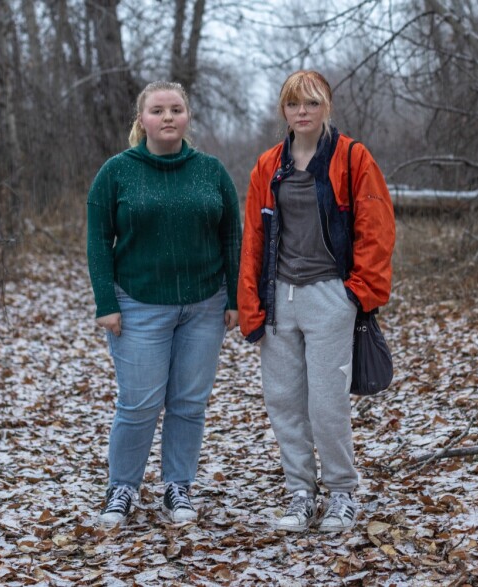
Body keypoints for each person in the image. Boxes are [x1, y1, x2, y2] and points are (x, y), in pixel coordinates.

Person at [238, 70, 395, 533]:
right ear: (283, 111)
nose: (301, 112)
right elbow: (254, 240)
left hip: (330, 296)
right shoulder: (268, 165)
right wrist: (252, 306)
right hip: (280, 298)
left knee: (326, 404)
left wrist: (355, 295)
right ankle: (300, 494)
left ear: (326, 106)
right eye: (293, 105)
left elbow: (377, 229)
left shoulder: (352, 158)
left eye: (310, 103)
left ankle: (343, 493)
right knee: (284, 401)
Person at [87, 81, 241, 527]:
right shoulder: (117, 171)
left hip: (205, 305)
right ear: (142, 120)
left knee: (189, 402)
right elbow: (99, 240)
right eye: (158, 110)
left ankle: (178, 485)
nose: (168, 117)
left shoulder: (211, 171)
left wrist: (234, 296)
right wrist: (105, 302)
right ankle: (122, 488)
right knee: (138, 404)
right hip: (138, 304)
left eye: (176, 109)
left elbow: (232, 235)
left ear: (188, 117)